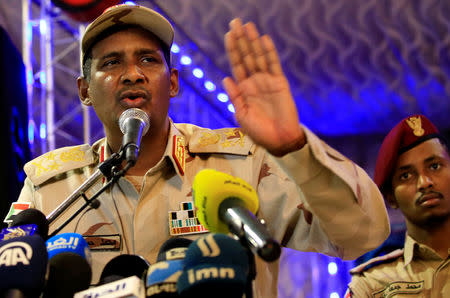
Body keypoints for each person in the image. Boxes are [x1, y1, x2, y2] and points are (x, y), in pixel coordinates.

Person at [8, 4, 390, 297]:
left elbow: (363, 234)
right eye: (111, 62)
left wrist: (294, 147)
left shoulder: (240, 163)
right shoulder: (51, 186)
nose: (132, 73)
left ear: (172, 83)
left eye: (148, 59)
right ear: (84, 91)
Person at [346, 114, 450, 297]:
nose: (424, 182)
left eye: (434, 166)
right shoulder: (373, 284)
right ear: (390, 198)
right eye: (406, 176)